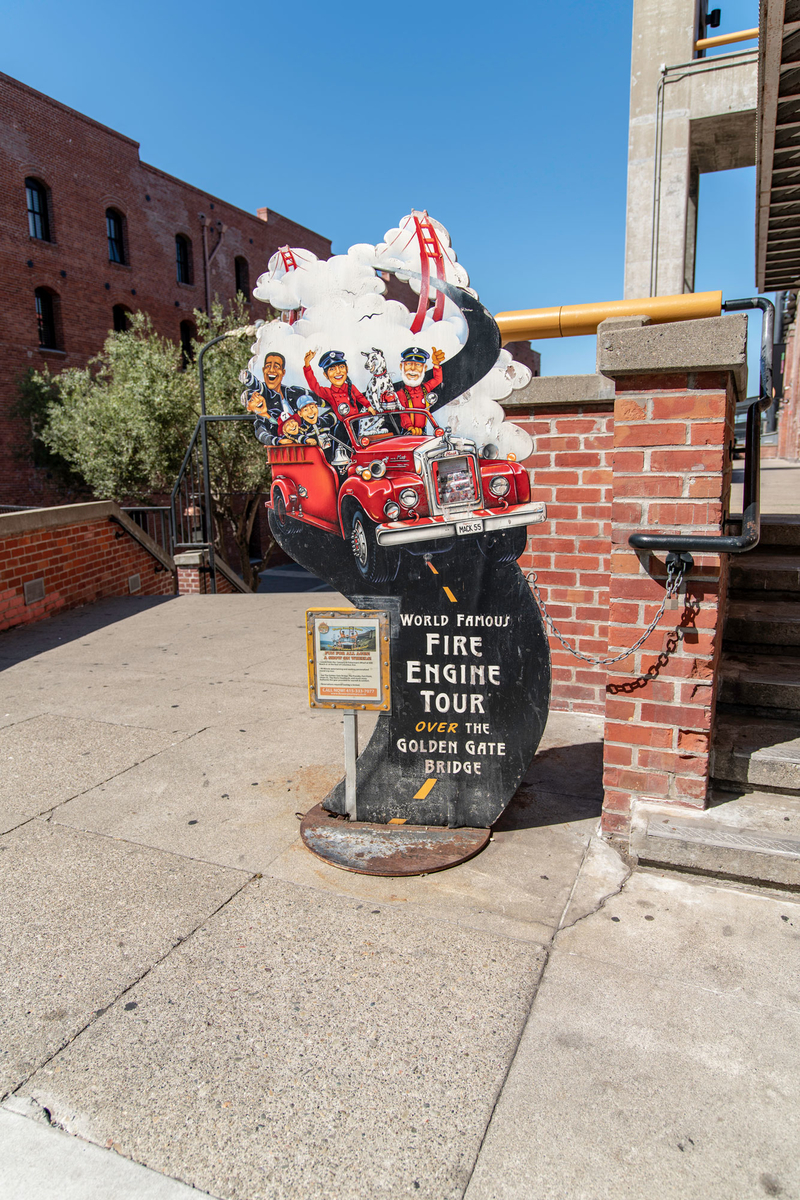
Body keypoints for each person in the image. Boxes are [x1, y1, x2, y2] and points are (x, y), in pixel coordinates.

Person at [392, 346, 446, 434]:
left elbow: (438, 379)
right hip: (408, 432)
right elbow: (403, 414)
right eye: (409, 364)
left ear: (424, 369)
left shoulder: (425, 388)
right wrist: (410, 427)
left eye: (418, 365)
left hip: (423, 430)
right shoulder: (400, 394)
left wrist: (436, 365)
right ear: (401, 367)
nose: (413, 369)